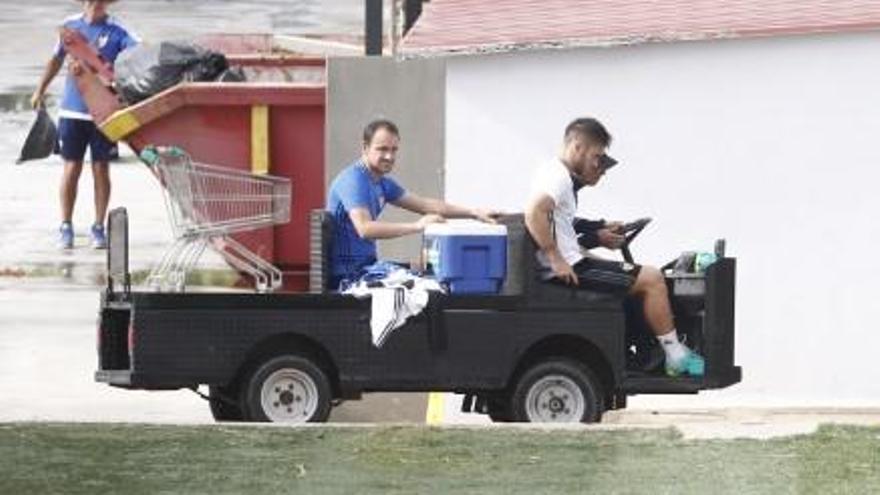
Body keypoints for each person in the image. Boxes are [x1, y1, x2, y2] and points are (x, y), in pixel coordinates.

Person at [524, 117, 704, 376]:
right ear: (577, 146)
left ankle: (643, 352)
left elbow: (560, 220)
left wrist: (599, 232)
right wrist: (556, 258)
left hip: (570, 261)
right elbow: (534, 212)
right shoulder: (558, 178)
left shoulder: (554, 173)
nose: (598, 164)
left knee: (635, 283)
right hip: (569, 268)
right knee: (652, 278)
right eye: (596, 156)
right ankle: (675, 355)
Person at [326, 119, 500, 289]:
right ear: (365, 148)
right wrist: (417, 226)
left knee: (427, 272)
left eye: (394, 150)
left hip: (367, 267)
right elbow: (365, 229)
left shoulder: (382, 183)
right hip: (348, 277)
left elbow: (426, 205)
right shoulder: (354, 180)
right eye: (383, 149)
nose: (390, 156)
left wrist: (474, 213)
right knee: (429, 287)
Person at [30, 0, 138, 249]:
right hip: (72, 110)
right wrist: (40, 90)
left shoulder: (120, 30)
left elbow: (137, 58)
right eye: (90, 1)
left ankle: (98, 228)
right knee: (71, 168)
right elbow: (55, 60)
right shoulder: (70, 28)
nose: (95, 4)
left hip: (105, 113)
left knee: (101, 170)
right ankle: (65, 226)